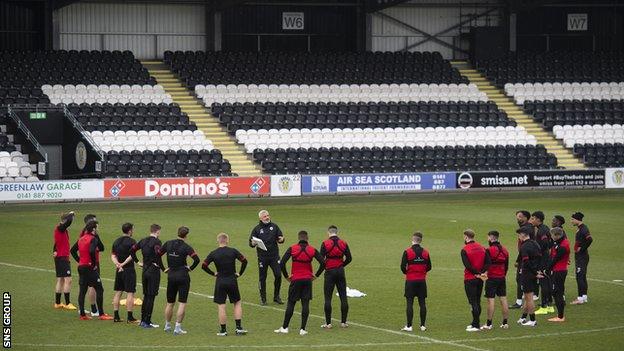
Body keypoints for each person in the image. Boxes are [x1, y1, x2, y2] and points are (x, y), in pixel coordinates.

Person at [275, 230, 325, 336]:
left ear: (299, 238)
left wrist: (286, 276)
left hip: (296, 279)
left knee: (291, 303)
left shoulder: (292, 248)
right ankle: (302, 329)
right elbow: (323, 263)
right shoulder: (312, 250)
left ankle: (285, 327)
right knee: (305, 303)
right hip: (307, 280)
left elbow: (282, 263)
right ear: (307, 238)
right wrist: (316, 275)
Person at [202, 233, 249, 336]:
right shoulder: (233, 251)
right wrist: (239, 273)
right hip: (232, 280)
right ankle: (238, 328)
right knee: (237, 303)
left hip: (220, 281)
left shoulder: (213, 253)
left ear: (218, 241)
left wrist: (213, 273)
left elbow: (204, 265)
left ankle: (223, 330)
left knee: (221, 306)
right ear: (227, 240)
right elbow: (245, 261)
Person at [159, 226, 200, 335]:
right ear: (186, 235)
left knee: (170, 303)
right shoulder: (186, 247)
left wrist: (163, 268)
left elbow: (157, 255)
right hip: (183, 276)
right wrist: (190, 268)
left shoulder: (168, 243)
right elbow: (197, 260)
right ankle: (177, 328)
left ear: (177, 233)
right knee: (182, 303)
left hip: (171, 275)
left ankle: (167, 325)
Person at [70, 220, 113, 320]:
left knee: (82, 290)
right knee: (99, 289)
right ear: (94, 229)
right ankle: (101, 314)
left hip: (81, 267)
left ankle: (82, 315)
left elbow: (72, 250)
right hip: (89, 267)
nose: (98, 229)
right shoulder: (93, 239)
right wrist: (93, 264)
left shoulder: (81, 239)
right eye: (97, 227)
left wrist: (79, 260)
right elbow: (92, 250)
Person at [131, 224, 165, 329]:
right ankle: (147, 321)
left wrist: (137, 262)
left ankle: (142, 320)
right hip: (153, 271)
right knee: (151, 296)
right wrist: (163, 268)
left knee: (146, 295)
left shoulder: (143, 240)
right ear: (157, 231)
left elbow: (132, 251)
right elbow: (158, 256)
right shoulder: (157, 242)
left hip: (145, 270)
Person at [249, 210, 285, 305]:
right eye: (265, 216)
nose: (267, 217)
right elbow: (251, 243)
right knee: (262, 278)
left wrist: (282, 239)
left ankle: (276, 296)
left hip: (274, 257)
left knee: (278, 275)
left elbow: (281, 238)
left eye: (268, 215)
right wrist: (252, 243)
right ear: (260, 218)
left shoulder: (274, 226)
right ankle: (263, 298)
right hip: (262, 257)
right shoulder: (256, 229)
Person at [319, 225, 352, 329]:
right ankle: (343, 322)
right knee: (343, 296)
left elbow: (321, 259)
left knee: (328, 297)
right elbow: (349, 258)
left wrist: (326, 266)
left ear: (328, 232)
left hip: (329, 271)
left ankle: (328, 323)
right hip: (340, 271)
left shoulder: (325, 243)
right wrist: (342, 265)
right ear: (337, 232)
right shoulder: (343, 243)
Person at [400, 231, 431, 332]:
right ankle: (422, 325)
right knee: (422, 303)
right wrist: (422, 272)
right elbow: (429, 267)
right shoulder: (426, 252)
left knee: (410, 302)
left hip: (411, 280)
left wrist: (408, 272)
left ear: (412, 239)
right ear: (421, 240)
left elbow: (402, 267)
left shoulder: (407, 252)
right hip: (422, 281)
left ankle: (409, 326)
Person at [111, 222, 139, 323]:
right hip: (129, 270)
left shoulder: (116, 241)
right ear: (130, 230)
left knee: (118, 292)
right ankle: (130, 317)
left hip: (119, 270)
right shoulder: (132, 242)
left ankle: (116, 316)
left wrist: (118, 265)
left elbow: (113, 256)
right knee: (130, 293)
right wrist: (122, 264)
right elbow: (132, 256)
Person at [481, 230, 509, 330]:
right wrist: (503, 275)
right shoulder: (505, 250)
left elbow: (486, 264)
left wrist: (483, 274)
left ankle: (489, 324)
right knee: (503, 299)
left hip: (492, 278)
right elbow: (506, 266)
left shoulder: (489, 250)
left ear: (491, 238)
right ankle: (505, 323)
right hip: (501, 277)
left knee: (490, 300)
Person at [516, 227, 541, 327]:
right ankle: (523, 317)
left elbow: (526, 261)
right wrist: (537, 271)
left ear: (523, 234)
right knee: (527, 297)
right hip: (533, 273)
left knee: (529, 298)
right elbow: (539, 258)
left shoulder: (524, 246)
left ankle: (532, 320)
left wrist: (534, 272)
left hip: (527, 274)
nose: (518, 236)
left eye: (519, 234)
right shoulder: (535, 244)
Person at [52, 211, 77, 310]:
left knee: (61, 280)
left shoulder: (61, 229)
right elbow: (69, 221)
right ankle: (68, 303)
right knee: (68, 280)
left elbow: (57, 242)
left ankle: (57, 303)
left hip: (60, 257)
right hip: (62, 258)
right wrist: (71, 214)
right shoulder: (61, 228)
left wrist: (54, 250)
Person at [531, 211, 553, 315]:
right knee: (547, 281)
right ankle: (549, 305)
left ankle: (544, 306)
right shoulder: (545, 228)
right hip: (546, 258)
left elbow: (544, 243)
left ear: (538, 219)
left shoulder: (541, 231)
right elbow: (551, 242)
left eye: (533, 218)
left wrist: (538, 252)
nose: (532, 220)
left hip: (543, 259)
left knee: (543, 282)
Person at [510, 210, 533, 309]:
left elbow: (524, 246)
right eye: (517, 216)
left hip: (525, 257)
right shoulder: (527, 227)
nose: (518, 218)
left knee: (520, 279)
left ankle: (519, 302)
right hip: (527, 256)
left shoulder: (526, 229)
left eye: (520, 216)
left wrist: (518, 259)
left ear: (526, 218)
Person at [547, 227, 570, 322]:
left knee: (557, 293)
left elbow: (555, 259)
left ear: (556, 235)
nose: (551, 237)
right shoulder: (561, 242)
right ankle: (560, 315)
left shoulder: (562, 246)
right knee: (556, 292)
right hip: (559, 270)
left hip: (559, 271)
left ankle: (560, 316)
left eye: (552, 235)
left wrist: (547, 269)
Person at [80, 214, 101, 317]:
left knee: (84, 287)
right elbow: (97, 248)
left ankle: (82, 310)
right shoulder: (91, 235)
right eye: (95, 222)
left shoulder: (83, 233)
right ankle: (94, 309)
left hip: (84, 263)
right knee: (93, 286)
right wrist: (93, 264)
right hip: (92, 263)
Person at [570, 212, 593, 305]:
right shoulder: (580, 228)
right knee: (582, 276)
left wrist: (582, 248)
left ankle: (580, 298)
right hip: (581, 256)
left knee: (579, 277)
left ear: (577, 219)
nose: (571, 221)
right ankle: (584, 297)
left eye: (572, 219)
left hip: (582, 256)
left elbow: (590, 239)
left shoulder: (583, 229)